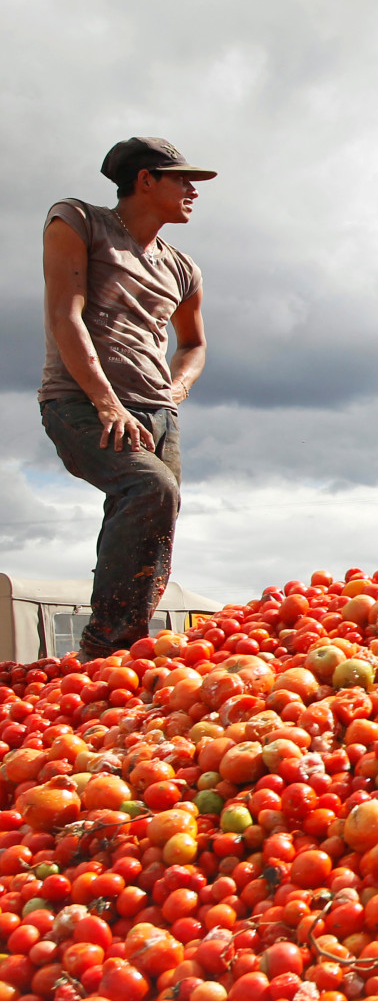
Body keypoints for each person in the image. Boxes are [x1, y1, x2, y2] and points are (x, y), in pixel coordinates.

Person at [40, 138, 213, 660]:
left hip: (158, 412)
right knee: (149, 489)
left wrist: (174, 393)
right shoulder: (77, 221)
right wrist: (107, 403)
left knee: (157, 517)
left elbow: (194, 344)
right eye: (182, 180)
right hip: (80, 401)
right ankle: (107, 648)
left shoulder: (182, 269)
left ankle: (128, 648)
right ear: (145, 180)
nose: (192, 192)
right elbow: (64, 316)